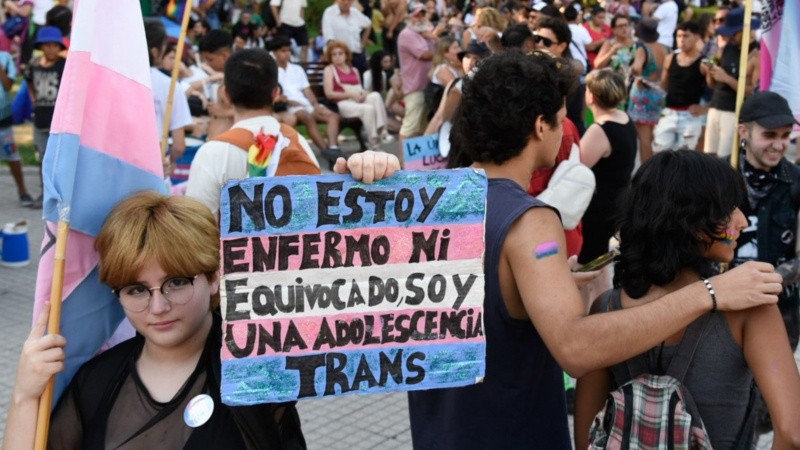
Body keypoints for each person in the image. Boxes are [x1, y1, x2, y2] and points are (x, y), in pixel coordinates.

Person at [407, 49, 782, 450]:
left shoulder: (430, 207)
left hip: (438, 433)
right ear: (539, 126)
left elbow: (475, 304)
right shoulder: (532, 222)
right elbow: (575, 348)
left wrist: (543, 285)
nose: (566, 126)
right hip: (510, 432)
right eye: (560, 117)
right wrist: (710, 293)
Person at [2, 150, 400, 450]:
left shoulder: (261, 360)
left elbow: (353, 290)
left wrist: (371, 184)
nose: (157, 307)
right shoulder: (97, 384)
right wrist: (23, 396)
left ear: (214, 277)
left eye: (176, 282)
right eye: (136, 289)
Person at [574, 150, 800, 449]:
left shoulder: (606, 308)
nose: (743, 221)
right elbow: (793, 433)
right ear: (692, 223)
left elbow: (585, 436)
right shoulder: (750, 308)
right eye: (728, 209)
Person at [186, 48, 319, 217]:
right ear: (276, 93)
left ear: (226, 94)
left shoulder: (212, 153)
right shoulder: (296, 141)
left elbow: (197, 227)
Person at [732, 91, 800, 353]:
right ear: (744, 132)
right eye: (770, 135)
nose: (779, 144)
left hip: (779, 311)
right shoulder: (720, 178)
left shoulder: (795, 182)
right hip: (724, 308)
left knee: (767, 392)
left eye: (785, 136)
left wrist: (765, 280)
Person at [578, 69, 636, 272]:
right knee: (600, 261)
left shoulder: (600, 130)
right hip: (618, 200)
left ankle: (591, 302)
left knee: (587, 264)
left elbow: (577, 168)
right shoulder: (624, 118)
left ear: (591, 96)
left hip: (599, 207)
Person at [270, 37, 343, 165]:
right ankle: (327, 152)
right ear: (275, 53)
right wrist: (286, 100)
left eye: (288, 51)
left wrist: (315, 105)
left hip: (305, 103)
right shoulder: (271, 71)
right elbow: (274, 94)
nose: (287, 53)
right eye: (283, 51)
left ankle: (333, 148)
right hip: (289, 107)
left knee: (332, 116)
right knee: (307, 117)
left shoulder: (296, 69)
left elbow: (307, 90)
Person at [703, 7, 760, 158]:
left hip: (734, 112)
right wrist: (710, 72)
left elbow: (753, 92)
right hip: (715, 106)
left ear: (745, 30)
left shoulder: (757, 54)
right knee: (708, 156)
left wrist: (726, 78)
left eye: (734, 33)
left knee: (725, 159)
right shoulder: (727, 48)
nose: (730, 37)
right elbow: (712, 83)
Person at [25, 25, 66, 209]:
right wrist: (33, 99)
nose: (50, 49)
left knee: (60, 159)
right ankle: (45, 194)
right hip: (40, 119)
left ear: (59, 47)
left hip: (59, 121)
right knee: (43, 158)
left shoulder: (63, 65)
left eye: (54, 45)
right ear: (41, 46)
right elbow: (29, 83)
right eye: (46, 45)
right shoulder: (33, 65)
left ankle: (61, 194)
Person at [322, 40, 390, 150]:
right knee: (368, 109)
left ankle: (383, 130)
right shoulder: (329, 70)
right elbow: (329, 94)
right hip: (342, 103)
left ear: (346, 55)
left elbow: (359, 87)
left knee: (375, 96)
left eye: (340, 53)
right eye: (334, 54)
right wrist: (349, 94)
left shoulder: (354, 70)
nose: (337, 57)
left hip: (357, 98)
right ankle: (374, 142)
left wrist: (363, 93)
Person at [397, 1, 444, 152]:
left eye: (423, 14)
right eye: (416, 15)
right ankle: (402, 165)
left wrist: (433, 37)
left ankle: (419, 165)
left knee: (423, 127)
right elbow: (426, 55)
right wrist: (437, 39)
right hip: (415, 87)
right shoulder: (407, 34)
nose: (420, 18)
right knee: (410, 126)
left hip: (426, 86)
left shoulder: (424, 33)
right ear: (409, 16)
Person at [653, 21, 707, 152]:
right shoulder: (670, 58)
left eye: (686, 36)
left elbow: (715, 88)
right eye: (679, 36)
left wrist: (706, 109)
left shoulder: (704, 63)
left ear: (696, 38)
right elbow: (663, 84)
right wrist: (647, 86)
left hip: (690, 116)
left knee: (686, 159)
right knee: (660, 154)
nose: (682, 40)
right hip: (669, 112)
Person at [627, 18, 667, 162]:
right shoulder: (665, 48)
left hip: (643, 94)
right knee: (657, 137)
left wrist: (631, 70)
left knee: (644, 137)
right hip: (661, 93)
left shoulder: (642, 48)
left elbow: (637, 68)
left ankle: (647, 171)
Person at [0, 45, 31, 206]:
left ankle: (22, 190)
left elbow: (8, 86)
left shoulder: (5, 58)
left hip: (2, 119)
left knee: (12, 156)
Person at [197, 29, 235, 138]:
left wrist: (224, 112)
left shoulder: (240, 77)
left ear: (224, 55)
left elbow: (256, 110)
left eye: (210, 59)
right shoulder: (226, 76)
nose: (207, 64)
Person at [321, 0, 372, 74]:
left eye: (349, 0)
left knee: (359, 81)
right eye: (343, 0)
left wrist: (363, 44)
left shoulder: (355, 12)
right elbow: (329, 38)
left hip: (356, 54)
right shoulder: (329, 12)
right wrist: (336, 57)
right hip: (339, 56)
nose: (346, 2)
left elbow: (368, 24)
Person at [593, 14, 636, 80]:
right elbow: (597, 65)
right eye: (620, 26)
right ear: (613, 30)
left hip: (631, 82)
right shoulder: (609, 44)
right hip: (613, 83)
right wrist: (612, 51)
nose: (624, 28)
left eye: (626, 25)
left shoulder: (635, 44)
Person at [582, 5, 610, 70]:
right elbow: (587, 46)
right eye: (599, 18)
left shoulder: (607, 28)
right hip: (590, 62)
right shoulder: (585, 28)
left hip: (604, 63)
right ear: (593, 16)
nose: (602, 20)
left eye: (603, 18)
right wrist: (601, 41)